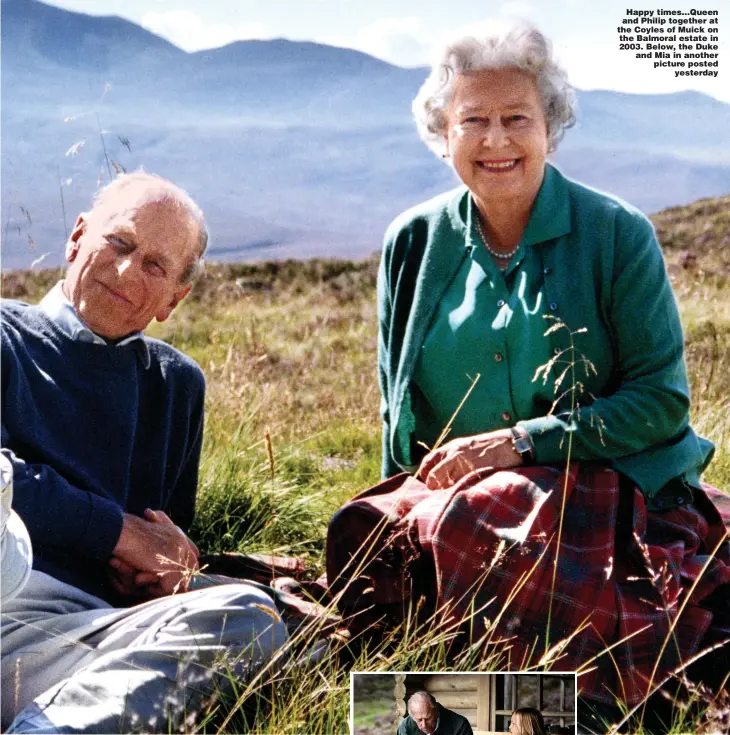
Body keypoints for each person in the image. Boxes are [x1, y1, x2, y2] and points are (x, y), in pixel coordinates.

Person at [371, 22, 730, 706]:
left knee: (499, 523)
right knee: (378, 556)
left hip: (604, 494)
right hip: (456, 517)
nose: (496, 140)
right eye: (472, 120)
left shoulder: (618, 234)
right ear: (442, 134)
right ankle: (458, 708)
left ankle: (523, 711)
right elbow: (398, 410)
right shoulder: (411, 242)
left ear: (550, 129)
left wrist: (519, 445)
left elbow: (662, 401)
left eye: (517, 119)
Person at [0, 172, 287, 733]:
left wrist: (170, 571)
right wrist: (118, 532)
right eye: (120, 242)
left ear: (174, 299)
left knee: (252, 617)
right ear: (78, 237)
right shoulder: (4, 333)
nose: (128, 269)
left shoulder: (176, 384)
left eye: (155, 265)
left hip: (75, 640)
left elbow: (157, 538)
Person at [397, 691, 473, 735]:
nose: (424, 725)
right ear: (412, 716)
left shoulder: (460, 726)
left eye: (428, 718)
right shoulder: (405, 727)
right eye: (419, 720)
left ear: (436, 709)